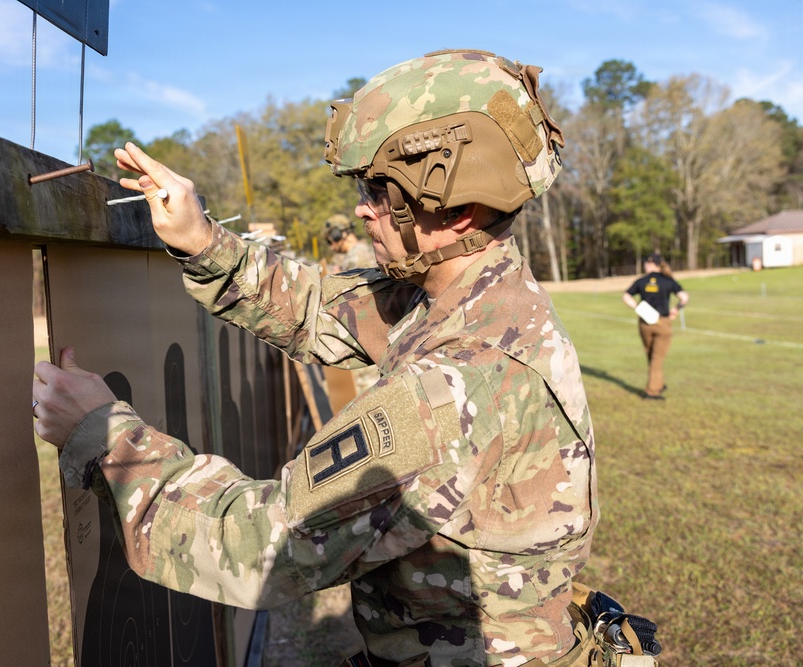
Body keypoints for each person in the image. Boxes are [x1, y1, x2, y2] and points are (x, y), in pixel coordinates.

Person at [34, 50, 599, 667]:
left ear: (459, 210)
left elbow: (261, 549)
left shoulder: (457, 384)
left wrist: (102, 436)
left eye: (381, 193)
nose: (363, 209)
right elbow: (320, 308)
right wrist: (203, 242)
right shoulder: (470, 295)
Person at [622, 254, 689, 400]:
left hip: (644, 323)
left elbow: (626, 296)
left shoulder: (642, 281)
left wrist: (638, 307)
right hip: (663, 322)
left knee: (651, 355)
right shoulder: (668, 280)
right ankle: (652, 391)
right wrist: (676, 309)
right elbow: (684, 297)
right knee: (657, 358)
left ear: (651, 264)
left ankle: (658, 383)